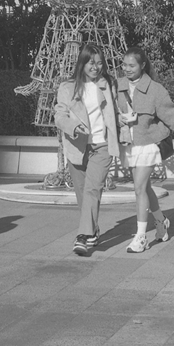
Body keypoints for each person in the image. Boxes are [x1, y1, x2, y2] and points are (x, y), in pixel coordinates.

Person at [116, 47, 174, 253]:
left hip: (149, 145)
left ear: (143, 65)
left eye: (132, 65)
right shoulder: (117, 86)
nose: (127, 69)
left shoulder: (155, 90)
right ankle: (161, 221)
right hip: (129, 145)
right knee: (144, 188)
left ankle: (141, 237)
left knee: (138, 188)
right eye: (124, 65)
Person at [54, 43, 120, 257]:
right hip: (77, 147)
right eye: (91, 63)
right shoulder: (67, 87)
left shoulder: (108, 83)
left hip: (102, 145)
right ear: (82, 63)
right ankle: (93, 230)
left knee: (93, 189)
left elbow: (116, 112)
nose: (96, 67)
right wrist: (73, 127)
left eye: (100, 63)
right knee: (83, 195)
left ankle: (82, 237)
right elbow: (59, 116)